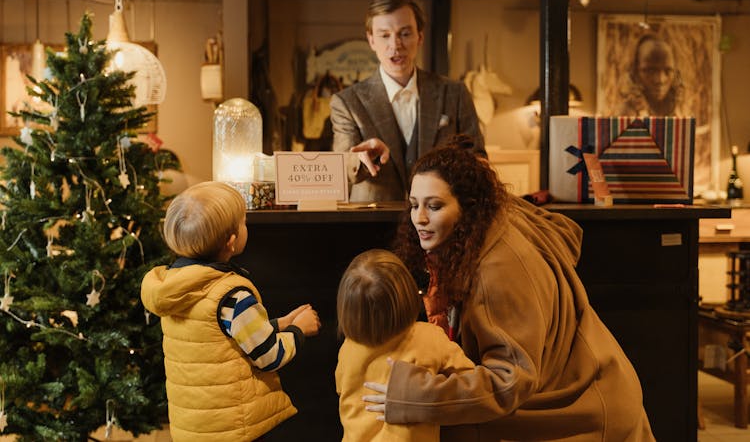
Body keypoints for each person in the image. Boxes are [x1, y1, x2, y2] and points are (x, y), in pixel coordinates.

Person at [362, 135, 655, 441]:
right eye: (413, 205)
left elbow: (511, 379)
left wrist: (416, 395)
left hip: (581, 412)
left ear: (468, 205)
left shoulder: (498, 270)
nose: (419, 218)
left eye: (434, 206)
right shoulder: (493, 215)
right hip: (592, 385)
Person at [141, 181, 321, 441]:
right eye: (243, 222)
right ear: (232, 241)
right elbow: (268, 356)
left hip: (195, 426)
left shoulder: (175, 286)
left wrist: (279, 324)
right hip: (234, 426)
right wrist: (298, 330)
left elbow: (220, 336)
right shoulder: (233, 296)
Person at [330, 0, 486, 202]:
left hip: (442, 223)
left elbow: (477, 161)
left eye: (404, 33)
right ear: (371, 40)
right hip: (372, 224)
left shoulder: (455, 93)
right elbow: (342, 168)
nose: (395, 45)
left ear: (420, 36)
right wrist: (360, 159)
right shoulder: (347, 102)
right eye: (384, 35)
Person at [335, 248, 475, 441]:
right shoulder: (429, 337)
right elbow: (471, 380)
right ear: (407, 294)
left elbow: (342, 390)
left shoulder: (347, 349)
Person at [615, 33, 685, 117]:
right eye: (651, 71)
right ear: (635, 73)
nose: (660, 80)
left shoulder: (675, 109)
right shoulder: (627, 116)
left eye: (668, 71)